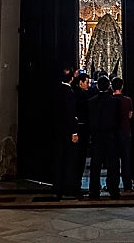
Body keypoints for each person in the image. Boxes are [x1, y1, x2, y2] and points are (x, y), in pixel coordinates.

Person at [87, 75, 120, 199]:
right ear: (109, 86)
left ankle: (94, 191)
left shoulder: (91, 102)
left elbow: (89, 120)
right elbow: (117, 120)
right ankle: (113, 189)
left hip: (96, 136)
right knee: (113, 164)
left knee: (95, 165)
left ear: (97, 86)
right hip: (111, 136)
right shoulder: (115, 102)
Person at [52, 67, 79, 200]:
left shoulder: (56, 91)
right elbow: (70, 114)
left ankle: (57, 186)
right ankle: (67, 188)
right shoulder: (69, 92)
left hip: (58, 130)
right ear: (72, 79)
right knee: (68, 160)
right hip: (67, 131)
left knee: (59, 159)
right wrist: (74, 131)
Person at [111, 77, 134, 192]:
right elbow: (130, 115)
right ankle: (127, 184)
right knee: (126, 159)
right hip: (125, 132)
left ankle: (113, 184)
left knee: (113, 160)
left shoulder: (110, 100)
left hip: (113, 133)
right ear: (122, 86)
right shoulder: (128, 100)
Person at [71, 71, 91, 197]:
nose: (88, 85)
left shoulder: (76, 94)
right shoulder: (82, 96)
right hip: (81, 130)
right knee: (79, 159)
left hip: (80, 130)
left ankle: (75, 185)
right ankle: (75, 186)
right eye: (87, 82)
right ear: (80, 82)